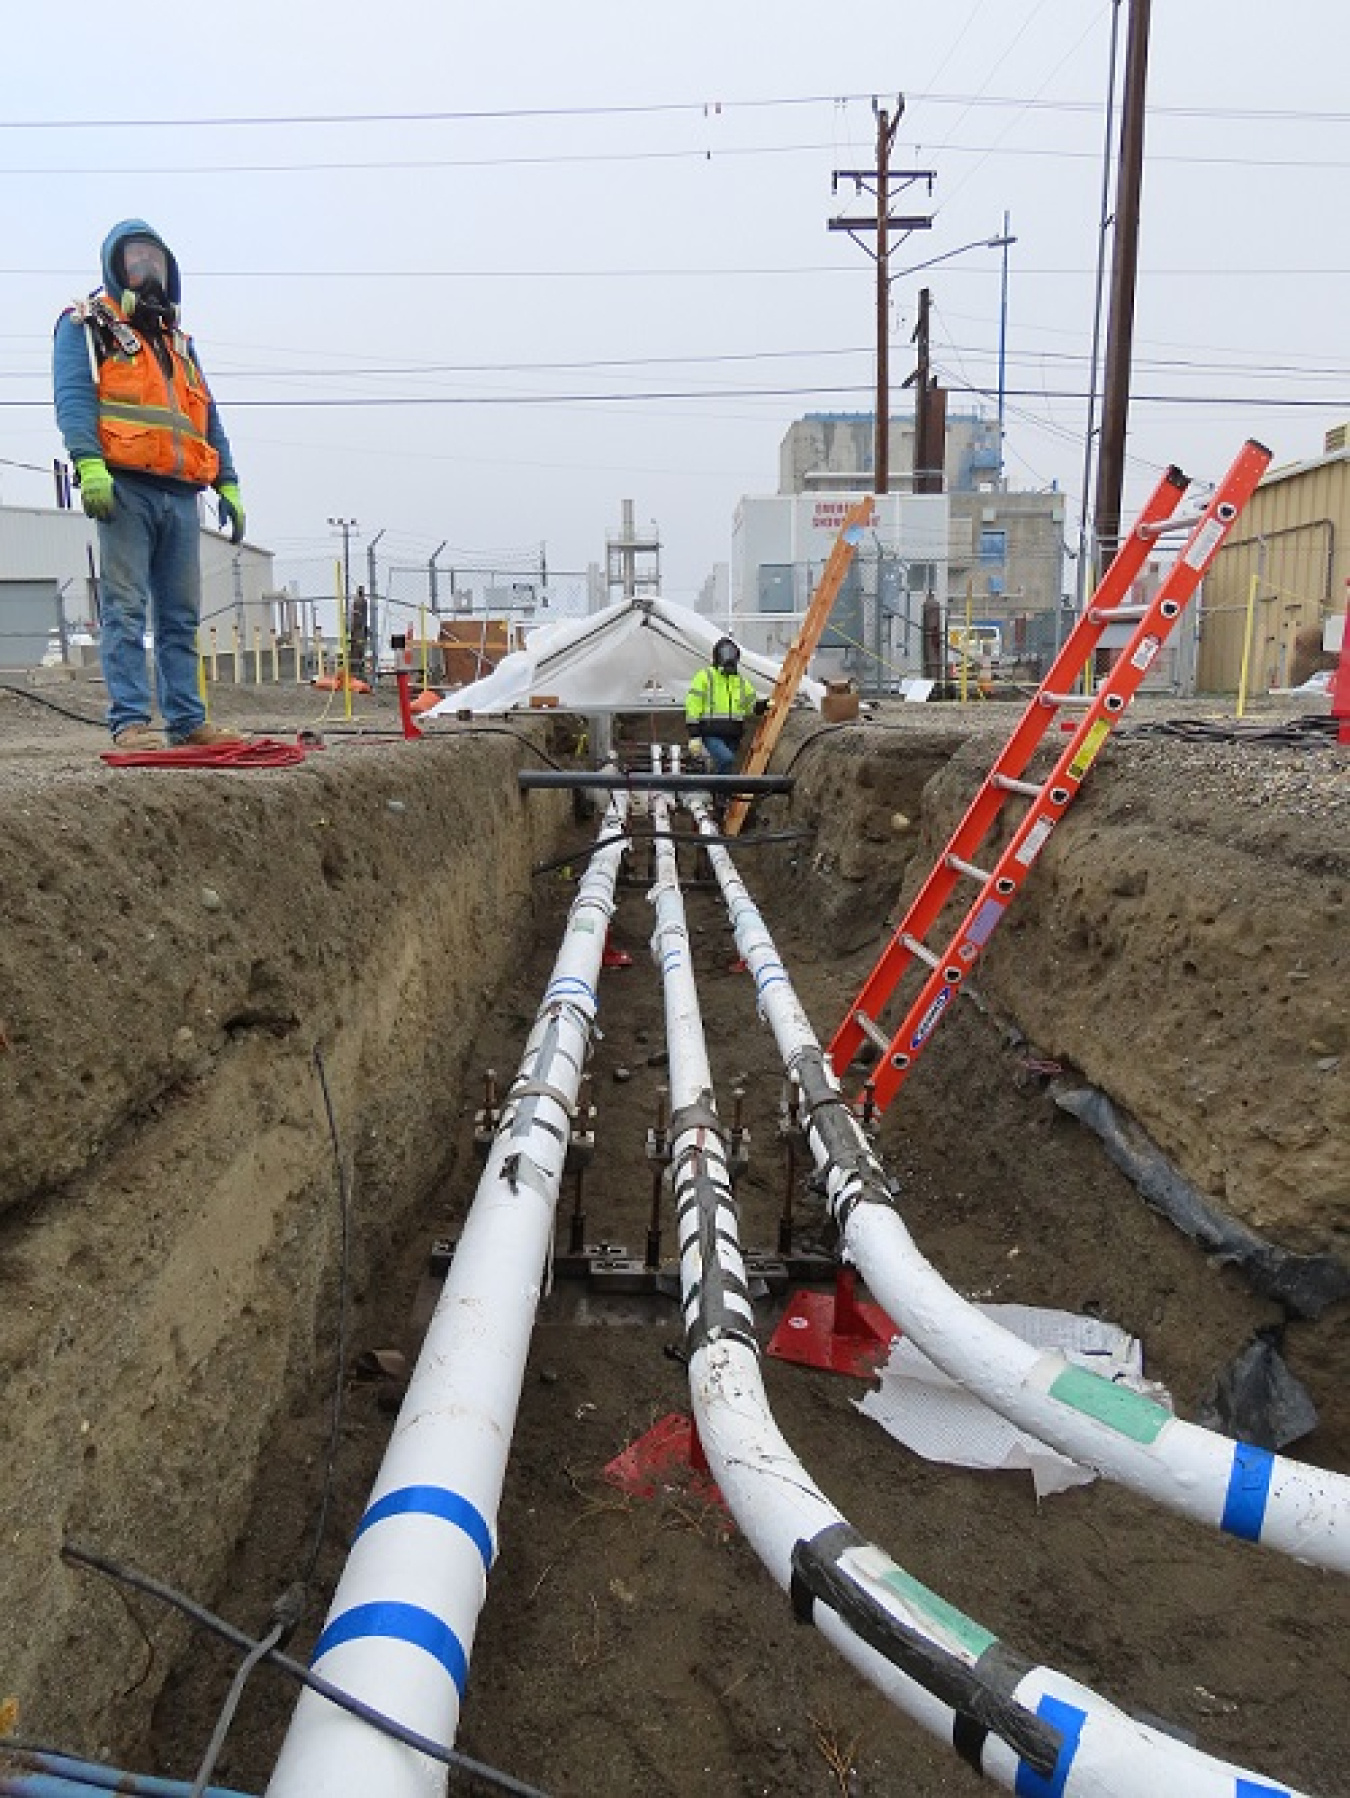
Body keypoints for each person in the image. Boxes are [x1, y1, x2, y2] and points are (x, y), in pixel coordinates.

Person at [53, 220, 247, 752]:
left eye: (155, 261)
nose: (146, 271)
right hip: (125, 489)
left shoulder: (178, 342)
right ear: (115, 266)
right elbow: (73, 397)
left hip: (182, 494)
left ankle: (187, 720)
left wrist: (227, 482)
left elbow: (207, 416)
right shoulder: (86, 324)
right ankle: (131, 722)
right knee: (125, 611)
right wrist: (89, 465)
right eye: (135, 260)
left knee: (180, 618)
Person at [685, 636, 766, 773]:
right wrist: (694, 735)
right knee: (726, 759)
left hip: (733, 735)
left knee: (725, 767)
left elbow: (749, 706)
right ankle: (720, 792)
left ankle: (718, 791)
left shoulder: (740, 681)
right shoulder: (705, 677)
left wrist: (762, 705)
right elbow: (693, 705)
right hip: (711, 733)